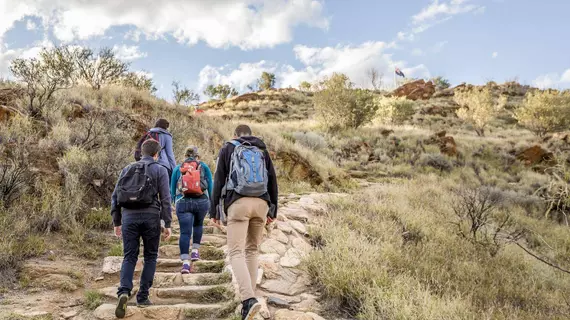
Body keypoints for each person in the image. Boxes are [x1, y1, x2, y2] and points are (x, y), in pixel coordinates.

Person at [210, 124, 278, 320]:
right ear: (251, 134)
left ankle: (248, 300)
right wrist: (273, 208)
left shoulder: (229, 147)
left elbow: (219, 179)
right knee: (252, 250)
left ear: (235, 135)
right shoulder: (262, 149)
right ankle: (251, 299)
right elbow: (273, 180)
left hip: (238, 203)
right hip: (262, 204)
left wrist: (214, 209)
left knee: (236, 251)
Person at [111, 139, 172, 318]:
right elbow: (166, 199)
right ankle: (143, 296)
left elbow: (115, 197)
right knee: (150, 256)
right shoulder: (160, 169)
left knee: (129, 256)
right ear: (157, 154)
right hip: (151, 217)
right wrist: (166, 223)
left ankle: (123, 291)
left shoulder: (127, 169)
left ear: (141, 152)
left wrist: (117, 221)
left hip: (129, 217)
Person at [170, 146, 213, 274]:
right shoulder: (204, 167)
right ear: (197, 156)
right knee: (198, 224)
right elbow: (210, 186)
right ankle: (194, 252)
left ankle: (185, 264)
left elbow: (172, 189)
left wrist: (174, 201)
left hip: (182, 202)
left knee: (184, 233)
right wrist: (211, 202)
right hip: (201, 201)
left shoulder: (178, 168)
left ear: (185, 156)